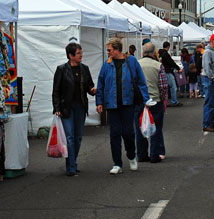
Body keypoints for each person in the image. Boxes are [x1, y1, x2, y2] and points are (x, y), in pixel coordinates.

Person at [96, 37, 149, 175]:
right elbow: (100, 83)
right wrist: (99, 102)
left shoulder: (131, 61)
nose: (108, 52)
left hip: (128, 103)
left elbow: (141, 81)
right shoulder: (106, 64)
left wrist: (146, 100)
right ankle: (117, 163)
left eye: (109, 50)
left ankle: (131, 156)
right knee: (114, 134)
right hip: (112, 104)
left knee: (128, 132)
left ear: (117, 49)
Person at [52, 42, 97, 176]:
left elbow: (89, 85)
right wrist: (57, 107)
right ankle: (71, 166)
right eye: (78, 53)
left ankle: (72, 161)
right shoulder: (61, 69)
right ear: (70, 55)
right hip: (67, 107)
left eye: (81, 53)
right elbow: (56, 91)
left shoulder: (84, 69)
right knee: (70, 136)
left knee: (78, 137)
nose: (81, 55)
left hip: (80, 106)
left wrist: (92, 90)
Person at [135, 42, 169, 163]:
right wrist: (162, 98)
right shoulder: (158, 65)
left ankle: (141, 154)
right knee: (156, 128)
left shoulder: (136, 64)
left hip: (139, 101)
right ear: (155, 53)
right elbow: (163, 86)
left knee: (139, 128)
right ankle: (155, 154)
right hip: (155, 100)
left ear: (143, 52)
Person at [159, 42, 181, 106]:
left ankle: (164, 101)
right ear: (168, 47)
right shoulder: (166, 54)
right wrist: (178, 68)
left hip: (162, 72)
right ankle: (174, 101)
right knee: (173, 87)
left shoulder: (160, 54)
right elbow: (171, 62)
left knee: (164, 88)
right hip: (168, 72)